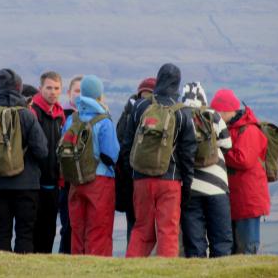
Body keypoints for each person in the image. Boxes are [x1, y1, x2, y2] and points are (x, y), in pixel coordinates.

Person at [122, 63, 196, 258]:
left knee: (141, 229)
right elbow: (188, 156)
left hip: (141, 179)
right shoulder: (183, 113)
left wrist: (133, 175)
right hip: (170, 180)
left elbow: (127, 146)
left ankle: (131, 270)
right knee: (168, 231)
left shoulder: (140, 107)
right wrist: (186, 187)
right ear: (177, 83)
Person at [0, 69, 48, 253]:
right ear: (19, 88)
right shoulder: (27, 115)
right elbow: (42, 151)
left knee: (2, 234)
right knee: (24, 234)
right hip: (25, 185)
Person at [63, 75, 120, 256]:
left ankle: (77, 270)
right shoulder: (104, 121)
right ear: (99, 95)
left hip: (75, 180)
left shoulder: (72, 120)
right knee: (99, 230)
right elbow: (111, 154)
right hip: (100, 181)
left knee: (78, 229)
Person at [210, 88, 270, 254]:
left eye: (218, 112)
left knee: (246, 248)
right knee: (236, 248)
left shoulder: (249, 130)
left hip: (248, 201)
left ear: (227, 111)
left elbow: (243, 160)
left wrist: (219, 150)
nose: (215, 116)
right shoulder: (234, 128)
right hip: (237, 199)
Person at [180, 82, 233, 258]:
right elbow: (227, 144)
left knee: (195, 243)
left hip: (191, 188)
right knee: (221, 240)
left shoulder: (179, 116)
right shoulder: (214, 116)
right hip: (217, 187)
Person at [115, 77, 156, 243]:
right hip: (145, 177)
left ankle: (133, 257)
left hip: (130, 178)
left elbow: (121, 148)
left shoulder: (127, 114)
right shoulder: (156, 115)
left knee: (134, 225)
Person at [31, 71, 66, 253]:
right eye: (49, 88)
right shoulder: (33, 111)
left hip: (53, 182)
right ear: (40, 89)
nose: (53, 92)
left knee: (50, 229)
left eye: (56, 88)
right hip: (35, 182)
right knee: (34, 230)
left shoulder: (60, 115)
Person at [59, 75, 82, 254]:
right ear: (69, 93)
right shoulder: (61, 115)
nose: (80, 95)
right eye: (77, 91)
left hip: (82, 178)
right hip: (65, 180)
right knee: (68, 225)